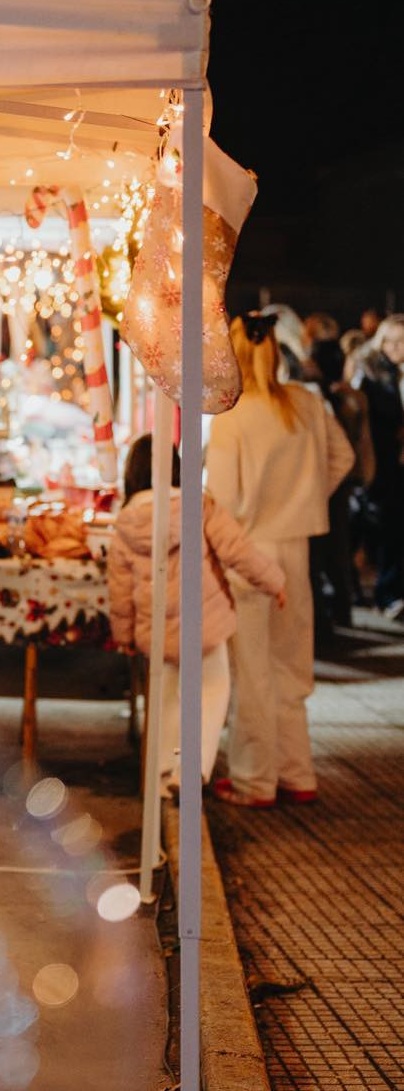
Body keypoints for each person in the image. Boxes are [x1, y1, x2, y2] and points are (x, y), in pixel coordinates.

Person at [205, 314, 354, 807]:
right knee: (291, 666)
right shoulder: (308, 404)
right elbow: (343, 458)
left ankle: (254, 779)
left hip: (250, 551)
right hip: (297, 546)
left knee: (253, 671)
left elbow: (221, 501)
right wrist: (308, 497)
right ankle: (296, 771)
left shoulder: (233, 416)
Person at [108, 434, 285, 798]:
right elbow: (237, 551)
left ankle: (162, 774)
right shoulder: (199, 506)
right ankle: (189, 771)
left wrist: (124, 635)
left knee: (167, 699)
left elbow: (119, 589)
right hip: (204, 621)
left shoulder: (126, 522)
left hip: (157, 629)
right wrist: (274, 582)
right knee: (213, 690)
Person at [309, 337, 374, 628]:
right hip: (342, 480)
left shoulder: (322, 398)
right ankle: (342, 608)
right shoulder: (350, 397)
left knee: (328, 547)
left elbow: (350, 445)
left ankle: (331, 611)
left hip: (327, 481)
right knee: (339, 547)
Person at [350, 313, 404, 614]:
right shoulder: (372, 374)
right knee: (388, 529)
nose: (396, 347)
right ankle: (388, 594)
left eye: (402, 342)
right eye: (391, 341)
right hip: (384, 463)